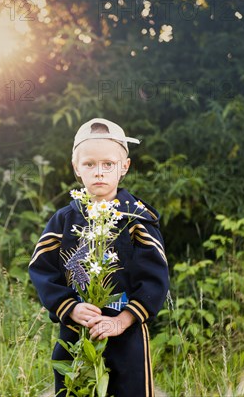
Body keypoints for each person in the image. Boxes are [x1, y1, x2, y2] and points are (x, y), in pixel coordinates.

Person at [28, 118, 169, 396]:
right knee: (74, 388)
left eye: (108, 164)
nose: (99, 172)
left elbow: (155, 279)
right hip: (77, 331)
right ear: (76, 168)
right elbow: (42, 270)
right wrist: (69, 307)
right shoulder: (65, 220)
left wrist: (123, 320)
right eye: (89, 164)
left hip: (125, 332)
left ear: (124, 167)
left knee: (130, 390)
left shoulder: (135, 220)